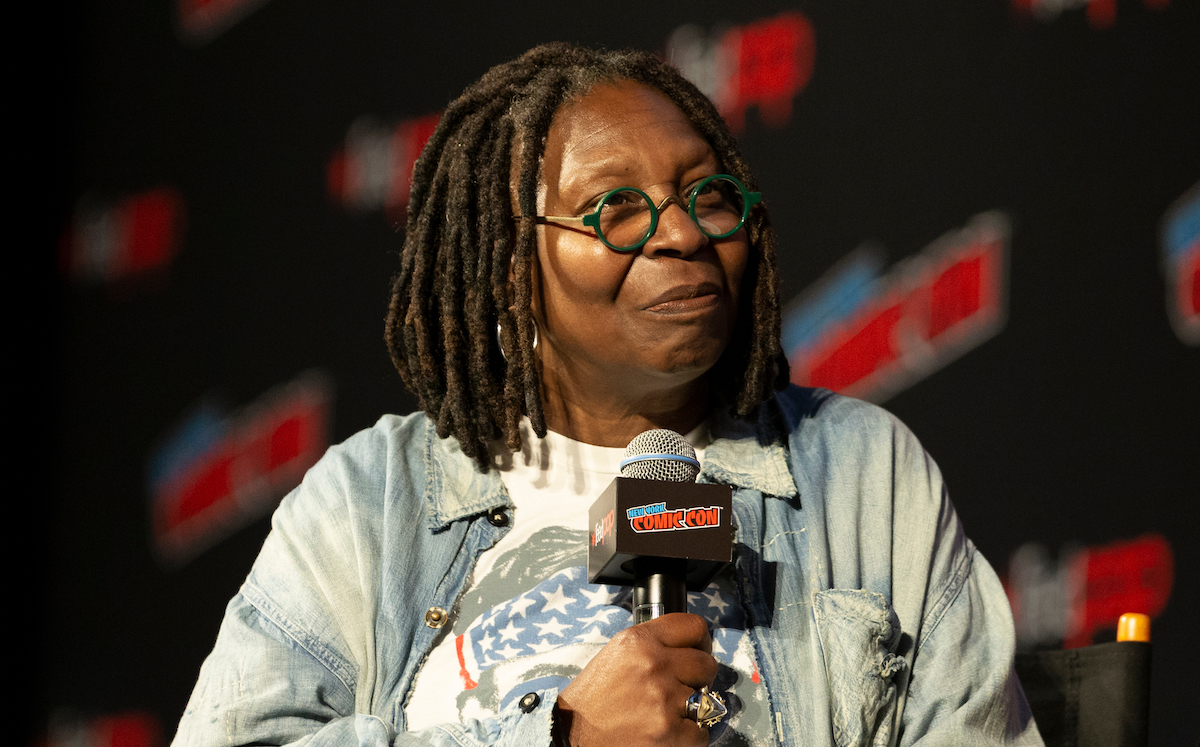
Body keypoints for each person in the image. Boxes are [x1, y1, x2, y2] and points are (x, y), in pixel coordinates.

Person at [173, 43, 1041, 747]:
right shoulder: (373, 499)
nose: (681, 232)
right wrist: (563, 738)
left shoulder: (862, 474)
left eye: (706, 194)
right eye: (616, 209)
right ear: (511, 265)